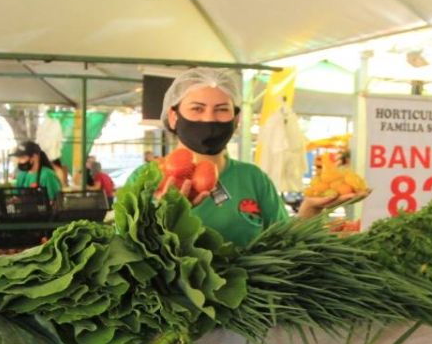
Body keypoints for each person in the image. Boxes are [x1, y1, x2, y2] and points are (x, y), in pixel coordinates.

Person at [130, 67, 336, 246]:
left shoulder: (253, 178)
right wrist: (164, 217)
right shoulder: (146, 178)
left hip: (250, 282)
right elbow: (126, 248)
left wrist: (309, 211)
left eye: (221, 110)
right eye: (197, 109)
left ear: (236, 120)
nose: (209, 119)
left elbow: (284, 243)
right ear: (173, 116)